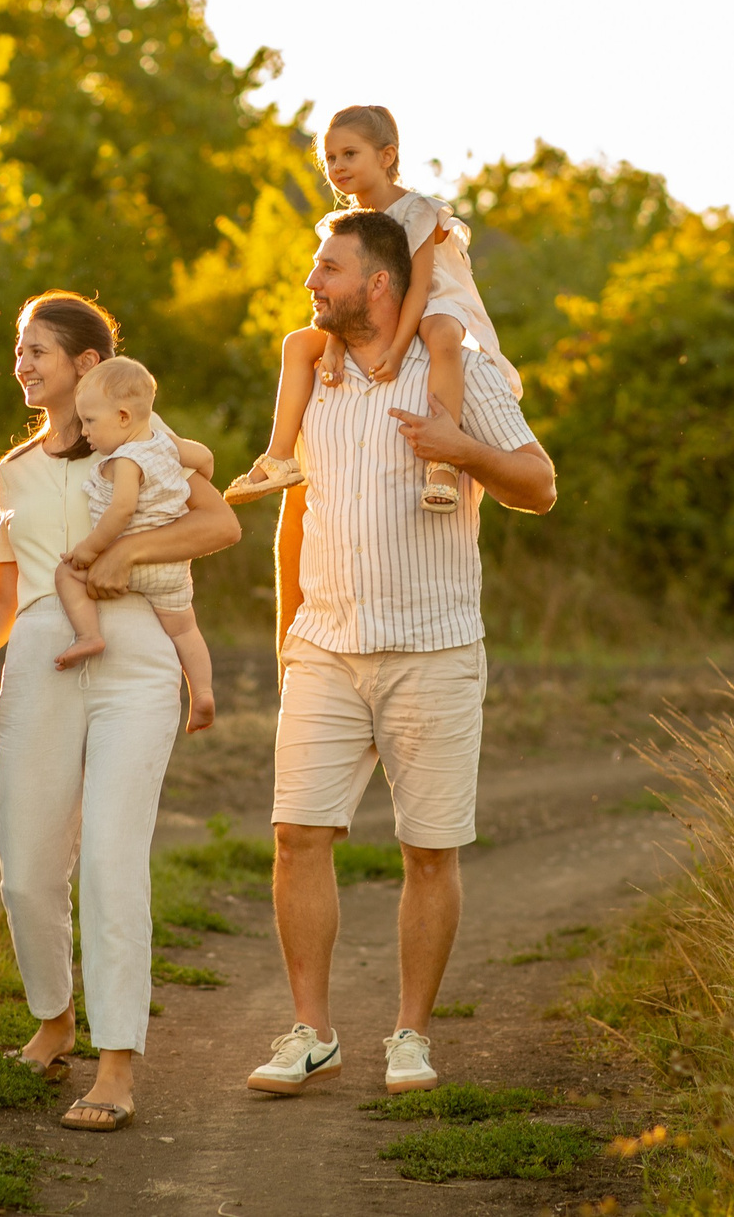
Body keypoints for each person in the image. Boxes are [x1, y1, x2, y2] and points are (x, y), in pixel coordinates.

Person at [246, 209, 555, 1099]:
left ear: (379, 282)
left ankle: (410, 1035)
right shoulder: (319, 374)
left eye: (328, 269)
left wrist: (461, 448)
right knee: (297, 835)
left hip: (435, 646)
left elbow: (539, 483)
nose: (314, 283)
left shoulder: (457, 369)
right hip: (325, 648)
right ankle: (312, 1029)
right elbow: (295, 515)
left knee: (429, 849)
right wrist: (286, 640)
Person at [0, 292, 241, 1132]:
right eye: (18, 347)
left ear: (85, 365)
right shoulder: (14, 470)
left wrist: (130, 550)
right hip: (43, 648)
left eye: (35, 349)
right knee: (26, 856)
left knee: (113, 854)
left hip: (138, 651)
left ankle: (117, 1063)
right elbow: (5, 597)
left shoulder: (143, 443)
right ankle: (54, 1018)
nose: (21, 362)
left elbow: (220, 523)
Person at [226, 104, 519, 515]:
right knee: (296, 344)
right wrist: (333, 342)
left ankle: (443, 460)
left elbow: (419, 286)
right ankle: (280, 457)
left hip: (431, 294)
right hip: (376, 301)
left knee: (443, 336)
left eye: (350, 154)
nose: (337, 166)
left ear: (386, 156)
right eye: (329, 158)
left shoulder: (417, 209)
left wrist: (398, 349)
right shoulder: (346, 221)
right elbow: (343, 296)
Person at [52, 356, 221, 733]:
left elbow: (122, 510)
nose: (85, 432)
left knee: (66, 575)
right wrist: (193, 478)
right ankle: (203, 692)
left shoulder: (126, 459)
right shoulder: (165, 444)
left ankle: (89, 635)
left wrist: (91, 549)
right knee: (184, 630)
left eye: (91, 422)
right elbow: (206, 458)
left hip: (132, 565)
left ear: (124, 417)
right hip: (172, 568)